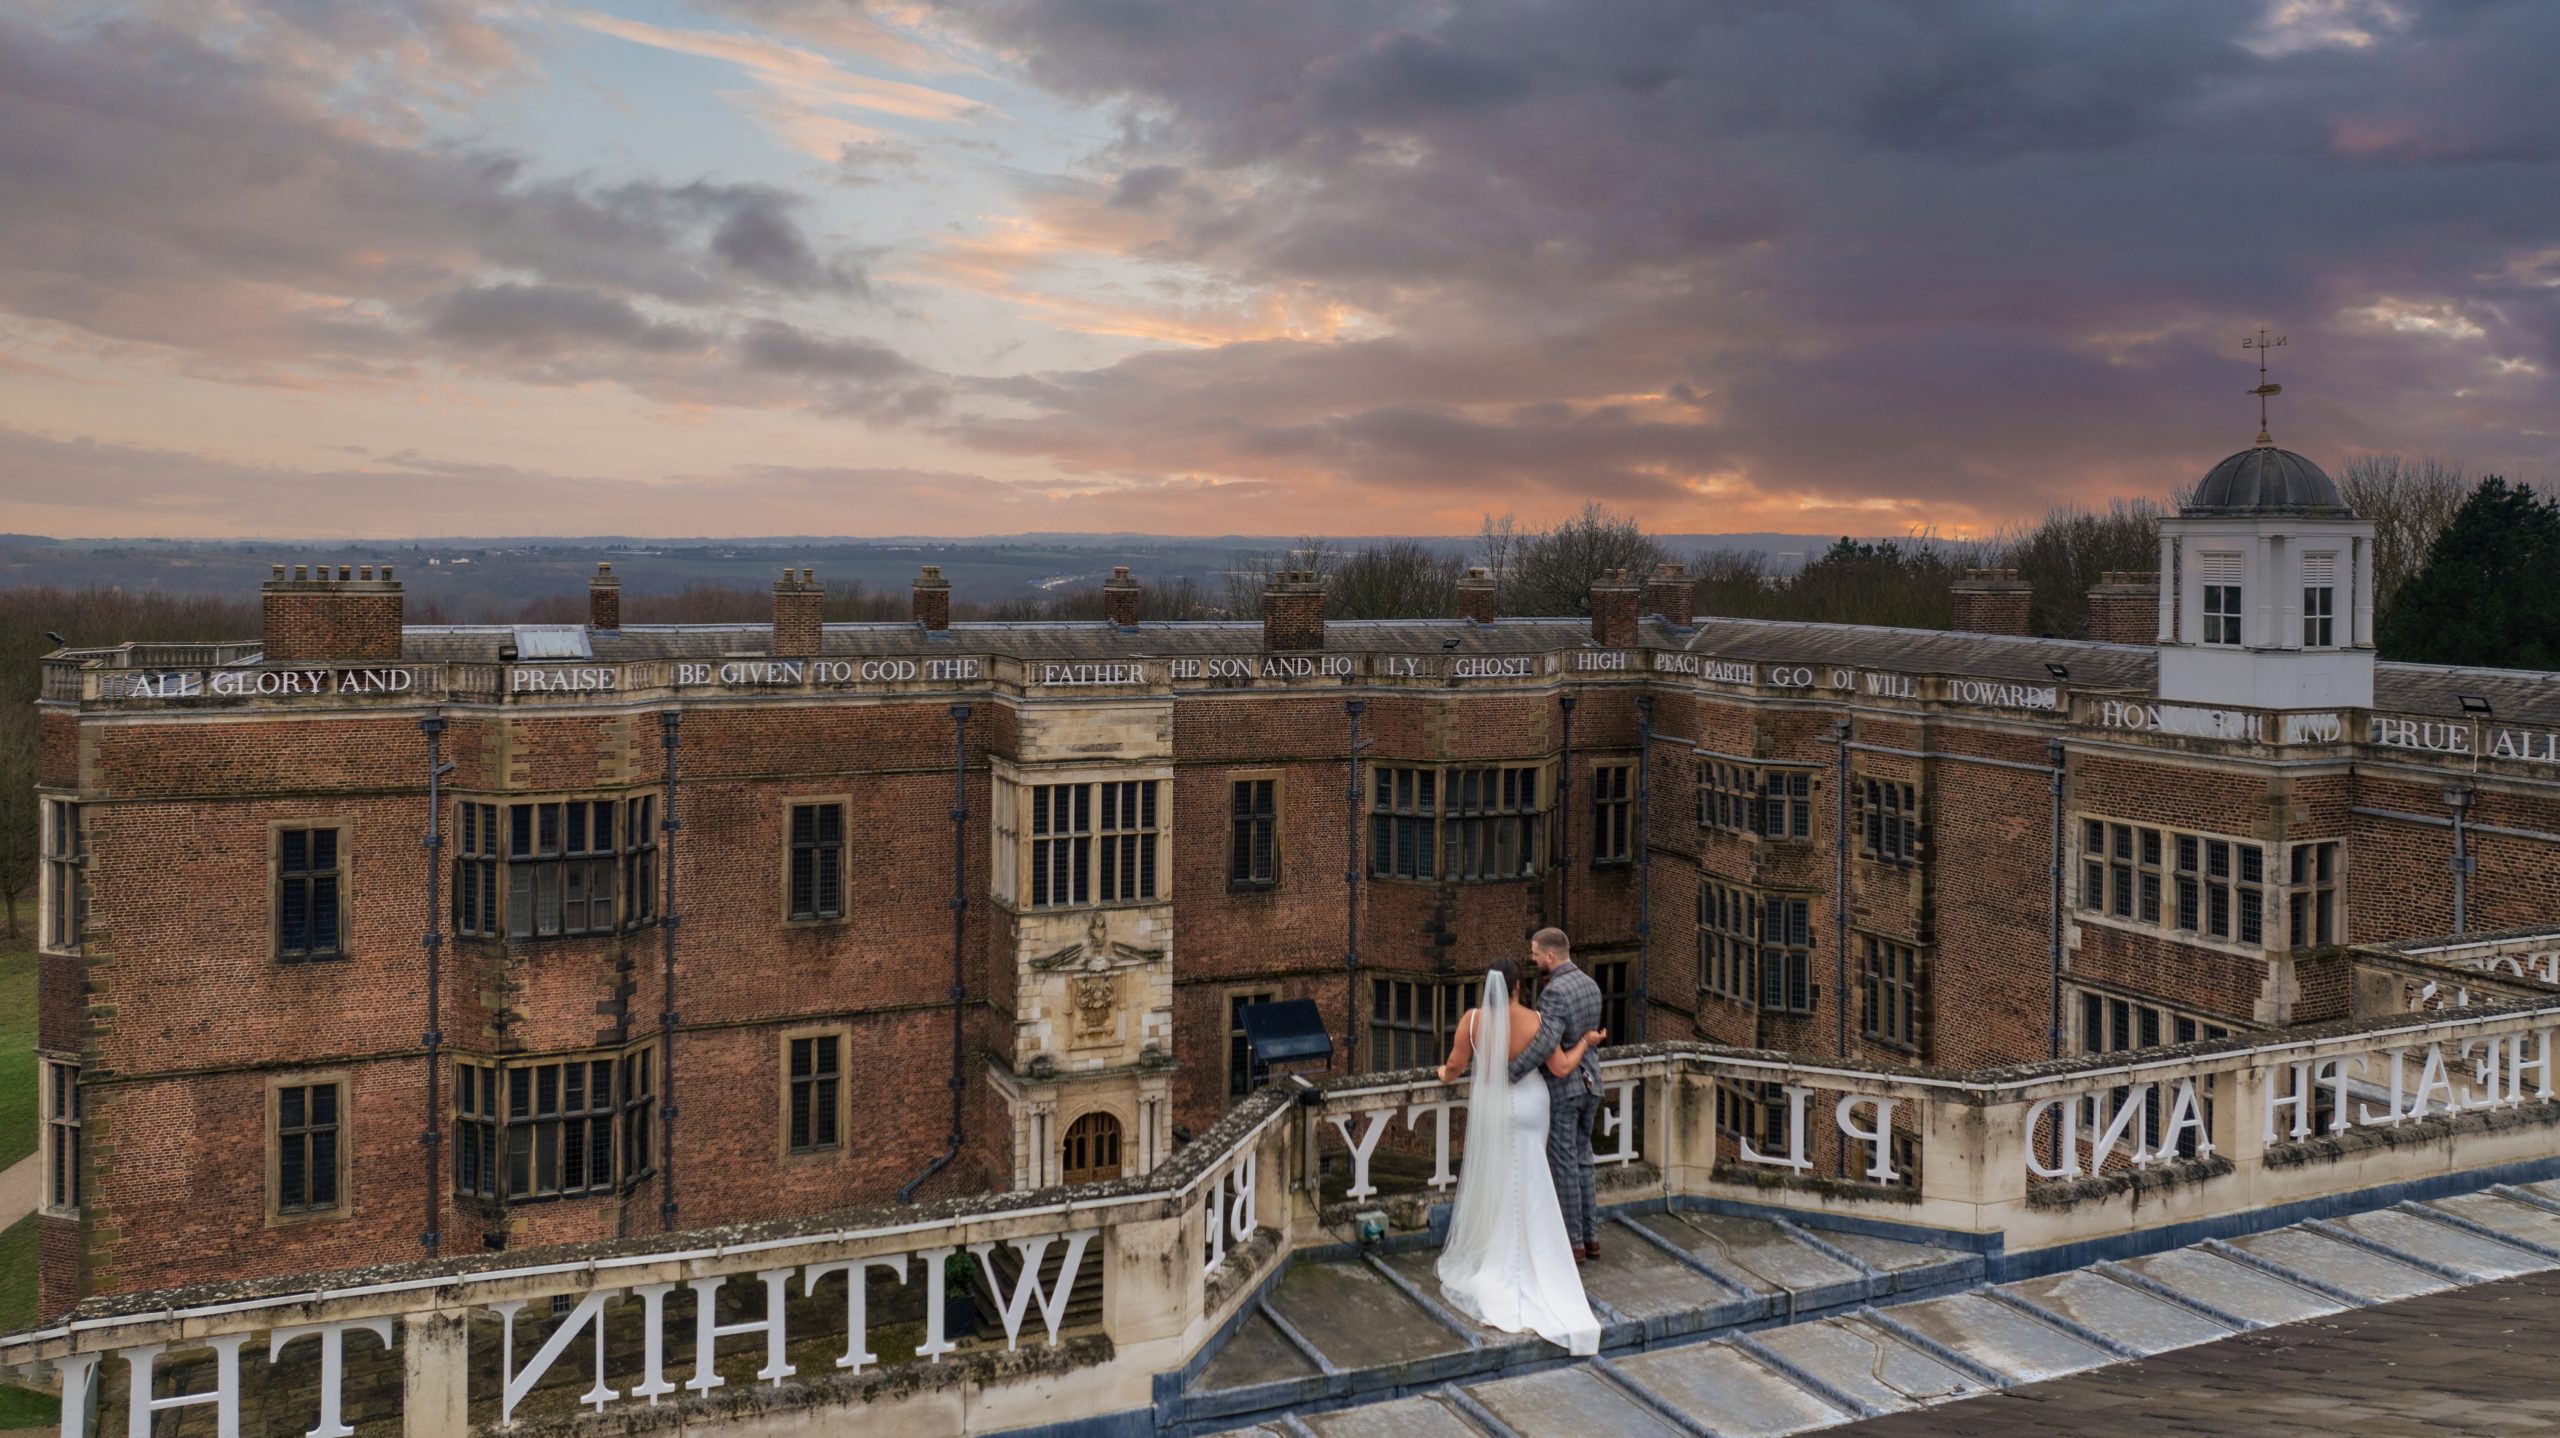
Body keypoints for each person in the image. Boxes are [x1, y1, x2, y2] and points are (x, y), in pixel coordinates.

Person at [1431, 956, 1604, 1355]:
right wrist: (1585, 1043)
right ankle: (1541, 1252)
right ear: (1517, 987)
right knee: (1531, 1175)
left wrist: (1442, 1074)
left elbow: (1456, 1067)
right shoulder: (1536, 1020)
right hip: (1530, 1106)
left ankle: (1498, 1253)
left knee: (1498, 1178)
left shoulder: (1473, 1021)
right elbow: (1560, 1067)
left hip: (1494, 1107)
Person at [1506, 928, 1605, 1262]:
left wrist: (1512, 1072)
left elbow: (1546, 1042)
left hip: (1566, 1089)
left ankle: (1573, 1244)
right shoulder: (1590, 984)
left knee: (1563, 1166)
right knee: (1583, 1161)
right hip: (1592, 1083)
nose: (1533, 960)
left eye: (1535, 954)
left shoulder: (1554, 993)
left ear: (1551, 955)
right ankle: (1592, 1239)